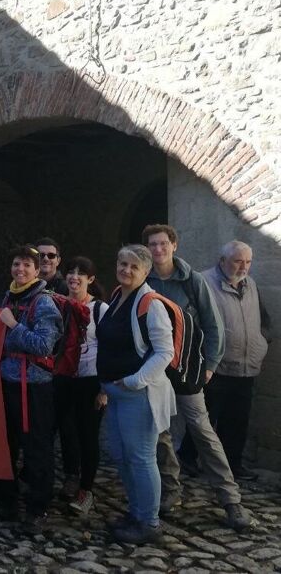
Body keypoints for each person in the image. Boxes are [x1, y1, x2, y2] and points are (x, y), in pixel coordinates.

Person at [143, 224, 251, 531]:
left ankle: (231, 500)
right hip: (155, 370)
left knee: (203, 432)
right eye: (153, 244)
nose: (159, 249)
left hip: (187, 368)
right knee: (161, 434)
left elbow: (213, 325)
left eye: (163, 243)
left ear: (174, 245)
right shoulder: (143, 280)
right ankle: (171, 492)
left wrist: (210, 365)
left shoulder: (192, 281)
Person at [96, 245, 175, 545]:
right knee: (121, 455)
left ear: (146, 272)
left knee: (141, 458)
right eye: (122, 263)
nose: (126, 270)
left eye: (133, 266)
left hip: (138, 395)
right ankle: (137, 513)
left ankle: (149, 523)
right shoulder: (118, 296)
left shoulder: (150, 304)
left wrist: (134, 381)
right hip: (115, 393)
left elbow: (164, 351)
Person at [0, 245, 63, 531]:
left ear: (37, 270)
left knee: (36, 449)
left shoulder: (44, 303)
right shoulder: (9, 296)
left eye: (26, 265)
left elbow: (44, 345)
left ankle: (38, 508)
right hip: (7, 382)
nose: (20, 270)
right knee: (5, 446)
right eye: (16, 264)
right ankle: (6, 504)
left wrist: (14, 326)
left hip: (33, 387)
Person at [199, 241, 271, 481]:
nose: (244, 267)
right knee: (206, 418)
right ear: (222, 261)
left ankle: (234, 465)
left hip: (246, 365)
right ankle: (191, 459)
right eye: (238, 261)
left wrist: (261, 342)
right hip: (216, 366)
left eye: (248, 262)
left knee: (238, 420)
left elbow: (264, 319)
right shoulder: (204, 282)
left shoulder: (250, 284)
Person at [55, 257, 108, 515]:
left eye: (81, 274)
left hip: (91, 379)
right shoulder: (58, 305)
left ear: (91, 279)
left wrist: (105, 389)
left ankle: (86, 490)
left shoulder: (101, 310)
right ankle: (70, 477)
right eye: (71, 273)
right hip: (63, 377)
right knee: (66, 432)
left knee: (88, 436)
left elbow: (111, 349)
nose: (74, 277)